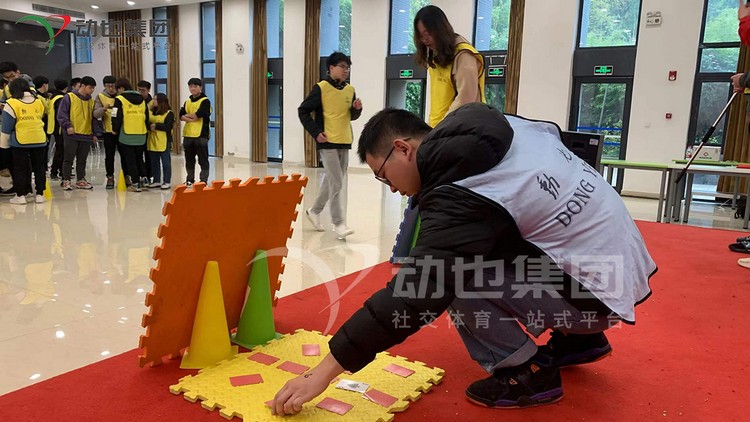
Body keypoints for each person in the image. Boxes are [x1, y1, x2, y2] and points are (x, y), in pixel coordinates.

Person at [271, 104, 657, 414]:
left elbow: (416, 293)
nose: (391, 189)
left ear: (403, 149)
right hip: (616, 274)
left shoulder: (462, 189)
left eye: (383, 176)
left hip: (593, 297)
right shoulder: (499, 127)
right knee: (475, 255)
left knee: (453, 278)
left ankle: (528, 373)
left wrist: (322, 373)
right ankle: (579, 340)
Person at [298, 51, 363, 239]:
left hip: (345, 140)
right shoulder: (321, 88)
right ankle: (339, 223)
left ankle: (314, 211)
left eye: (347, 67)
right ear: (331, 68)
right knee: (337, 182)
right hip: (327, 142)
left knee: (332, 180)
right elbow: (303, 111)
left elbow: (350, 116)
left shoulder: (350, 90)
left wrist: (356, 110)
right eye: (342, 66)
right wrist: (316, 132)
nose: (345, 70)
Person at [413, 5, 486, 127]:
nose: (425, 40)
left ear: (439, 30)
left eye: (428, 34)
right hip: (440, 128)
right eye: (421, 36)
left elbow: (466, 99)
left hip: (460, 128)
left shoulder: (464, 55)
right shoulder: (436, 56)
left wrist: (441, 127)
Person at [0, 78, 48, 204]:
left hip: (20, 141)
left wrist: (3, 147)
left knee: (19, 169)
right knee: (39, 168)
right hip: (39, 139)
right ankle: (40, 194)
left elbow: (6, 128)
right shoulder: (38, 101)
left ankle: (20, 196)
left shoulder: (11, 103)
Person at [57, 76, 97, 190]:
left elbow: (93, 119)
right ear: (82, 86)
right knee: (68, 158)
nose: (92, 90)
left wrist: (94, 133)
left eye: (93, 88)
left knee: (82, 160)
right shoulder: (69, 97)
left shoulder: (91, 101)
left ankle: (80, 179)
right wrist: (67, 125)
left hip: (86, 134)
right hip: (72, 134)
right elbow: (61, 114)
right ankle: (66, 179)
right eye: (90, 87)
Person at [112, 78, 149, 192]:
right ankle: (144, 180)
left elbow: (115, 116)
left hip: (126, 134)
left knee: (130, 159)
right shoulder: (142, 99)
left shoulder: (119, 99)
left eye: (118, 89)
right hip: (141, 133)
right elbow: (146, 117)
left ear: (121, 88)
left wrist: (115, 130)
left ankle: (135, 183)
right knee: (139, 158)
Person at [179, 78, 211, 187]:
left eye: (195, 86)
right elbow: (180, 115)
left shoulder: (205, 101)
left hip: (201, 135)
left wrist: (188, 116)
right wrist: (190, 117)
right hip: (188, 134)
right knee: (189, 160)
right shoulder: (187, 101)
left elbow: (199, 114)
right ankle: (190, 179)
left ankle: (203, 180)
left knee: (203, 159)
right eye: (190, 86)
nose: (192, 89)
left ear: (200, 87)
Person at [93, 76, 120, 189]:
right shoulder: (100, 96)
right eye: (109, 86)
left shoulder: (121, 96)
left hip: (121, 131)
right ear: (104, 86)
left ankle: (127, 176)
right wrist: (103, 109)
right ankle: (110, 177)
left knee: (125, 155)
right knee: (109, 156)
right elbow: (95, 114)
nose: (111, 88)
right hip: (108, 131)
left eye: (113, 85)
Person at [146, 93, 174, 189]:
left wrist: (156, 125)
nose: (153, 101)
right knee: (154, 162)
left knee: (165, 163)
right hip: (152, 140)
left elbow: (168, 126)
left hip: (164, 141)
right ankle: (156, 180)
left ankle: (167, 181)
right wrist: (150, 126)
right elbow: (146, 122)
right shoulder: (150, 112)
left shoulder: (169, 113)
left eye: (155, 100)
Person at [48, 79, 69, 181]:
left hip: (55, 127)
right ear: (66, 87)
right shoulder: (61, 99)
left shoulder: (53, 97)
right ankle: (55, 171)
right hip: (60, 128)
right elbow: (61, 114)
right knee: (61, 151)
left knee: (60, 150)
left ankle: (60, 171)